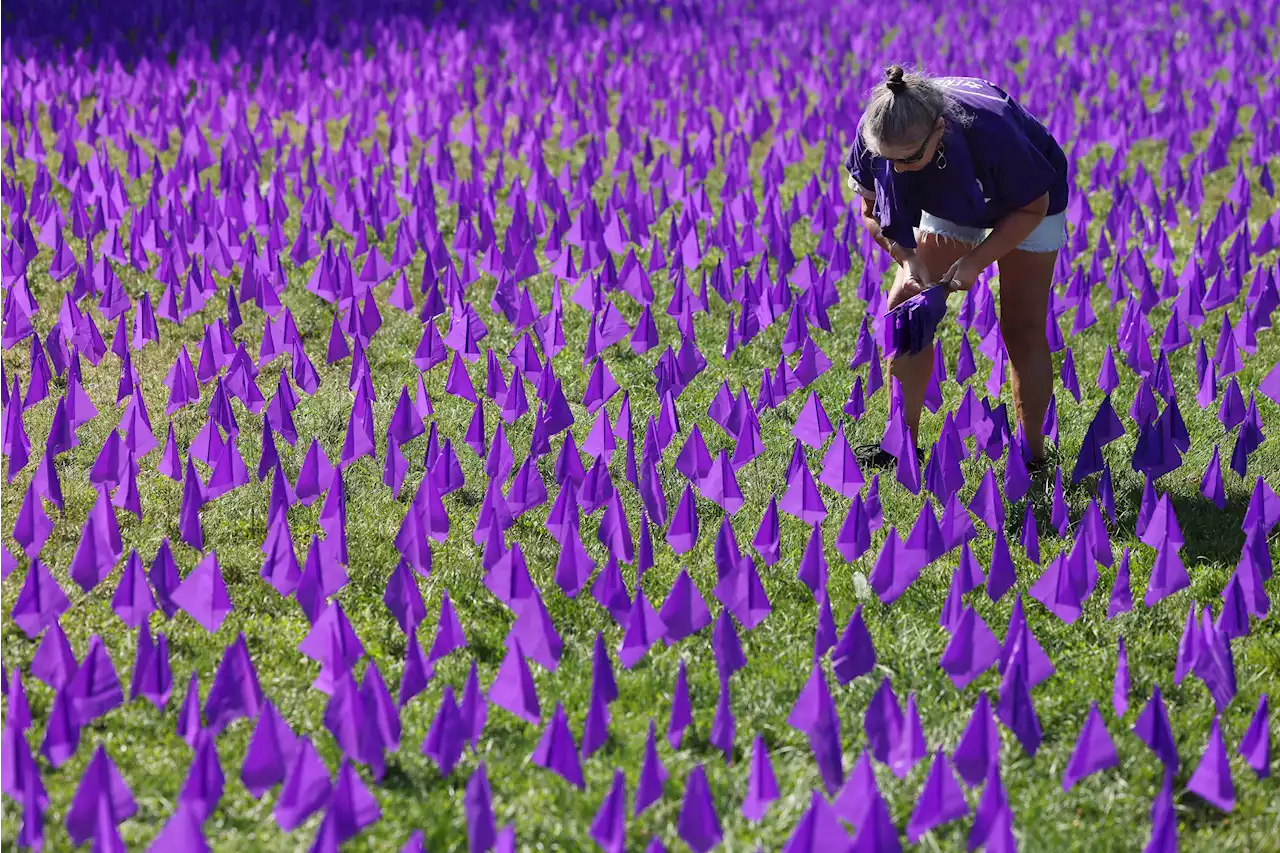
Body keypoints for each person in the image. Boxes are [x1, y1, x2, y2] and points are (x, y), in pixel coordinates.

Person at [844, 65, 1069, 468]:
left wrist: (976, 261)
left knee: (1022, 325)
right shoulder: (877, 129)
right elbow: (871, 210)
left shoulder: (993, 132)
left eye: (908, 158)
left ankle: (1032, 456)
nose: (895, 170)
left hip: (1026, 199)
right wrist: (907, 257)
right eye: (886, 160)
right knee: (904, 306)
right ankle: (901, 445)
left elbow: (1034, 206)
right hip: (949, 195)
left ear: (939, 131)